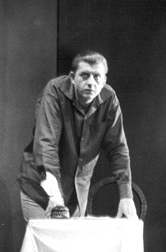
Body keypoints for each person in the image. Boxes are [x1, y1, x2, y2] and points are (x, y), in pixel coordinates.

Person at [17, 50, 137, 221]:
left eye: (97, 77)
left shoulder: (109, 99)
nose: (91, 83)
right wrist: (54, 196)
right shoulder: (54, 91)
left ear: (104, 81)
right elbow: (46, 145)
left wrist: (126, 196)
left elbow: (118, 148)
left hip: (76, 193)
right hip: (42, 190)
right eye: (85, 75)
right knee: (49, 238)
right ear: (73, 77)